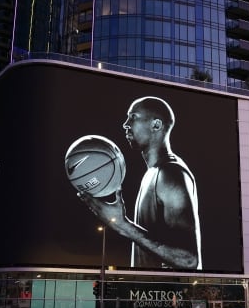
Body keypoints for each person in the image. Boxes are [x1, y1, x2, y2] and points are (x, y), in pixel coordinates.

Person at [78, 96, 202, 270]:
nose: (125, 124)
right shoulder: (152, 173)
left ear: (156, 125)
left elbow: (188, 260)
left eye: (133, 117)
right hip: (150, 293)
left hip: (171, 295)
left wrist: (123, 225)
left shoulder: (170, 173)